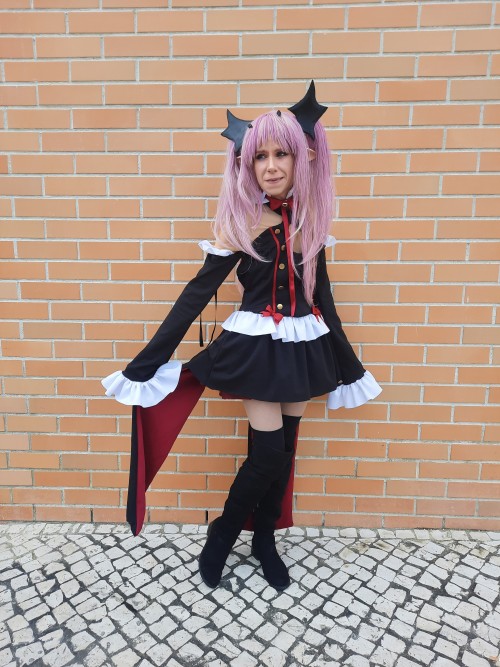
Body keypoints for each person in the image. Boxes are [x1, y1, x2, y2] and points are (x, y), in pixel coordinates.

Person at [102, 81, 382, 592]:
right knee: (267, 454)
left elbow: (323, 298)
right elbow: (196, 294)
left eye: (281, 154)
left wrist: (349, 364)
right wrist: (146, 362)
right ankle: (224, 533)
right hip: (256, 349)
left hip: (303, 347)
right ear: (246, 164)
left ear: (302, 157)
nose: (271, 166)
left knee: (285, 451)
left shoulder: (310, 220)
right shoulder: (241, 222)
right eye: (260, 157)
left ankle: (265, 540)